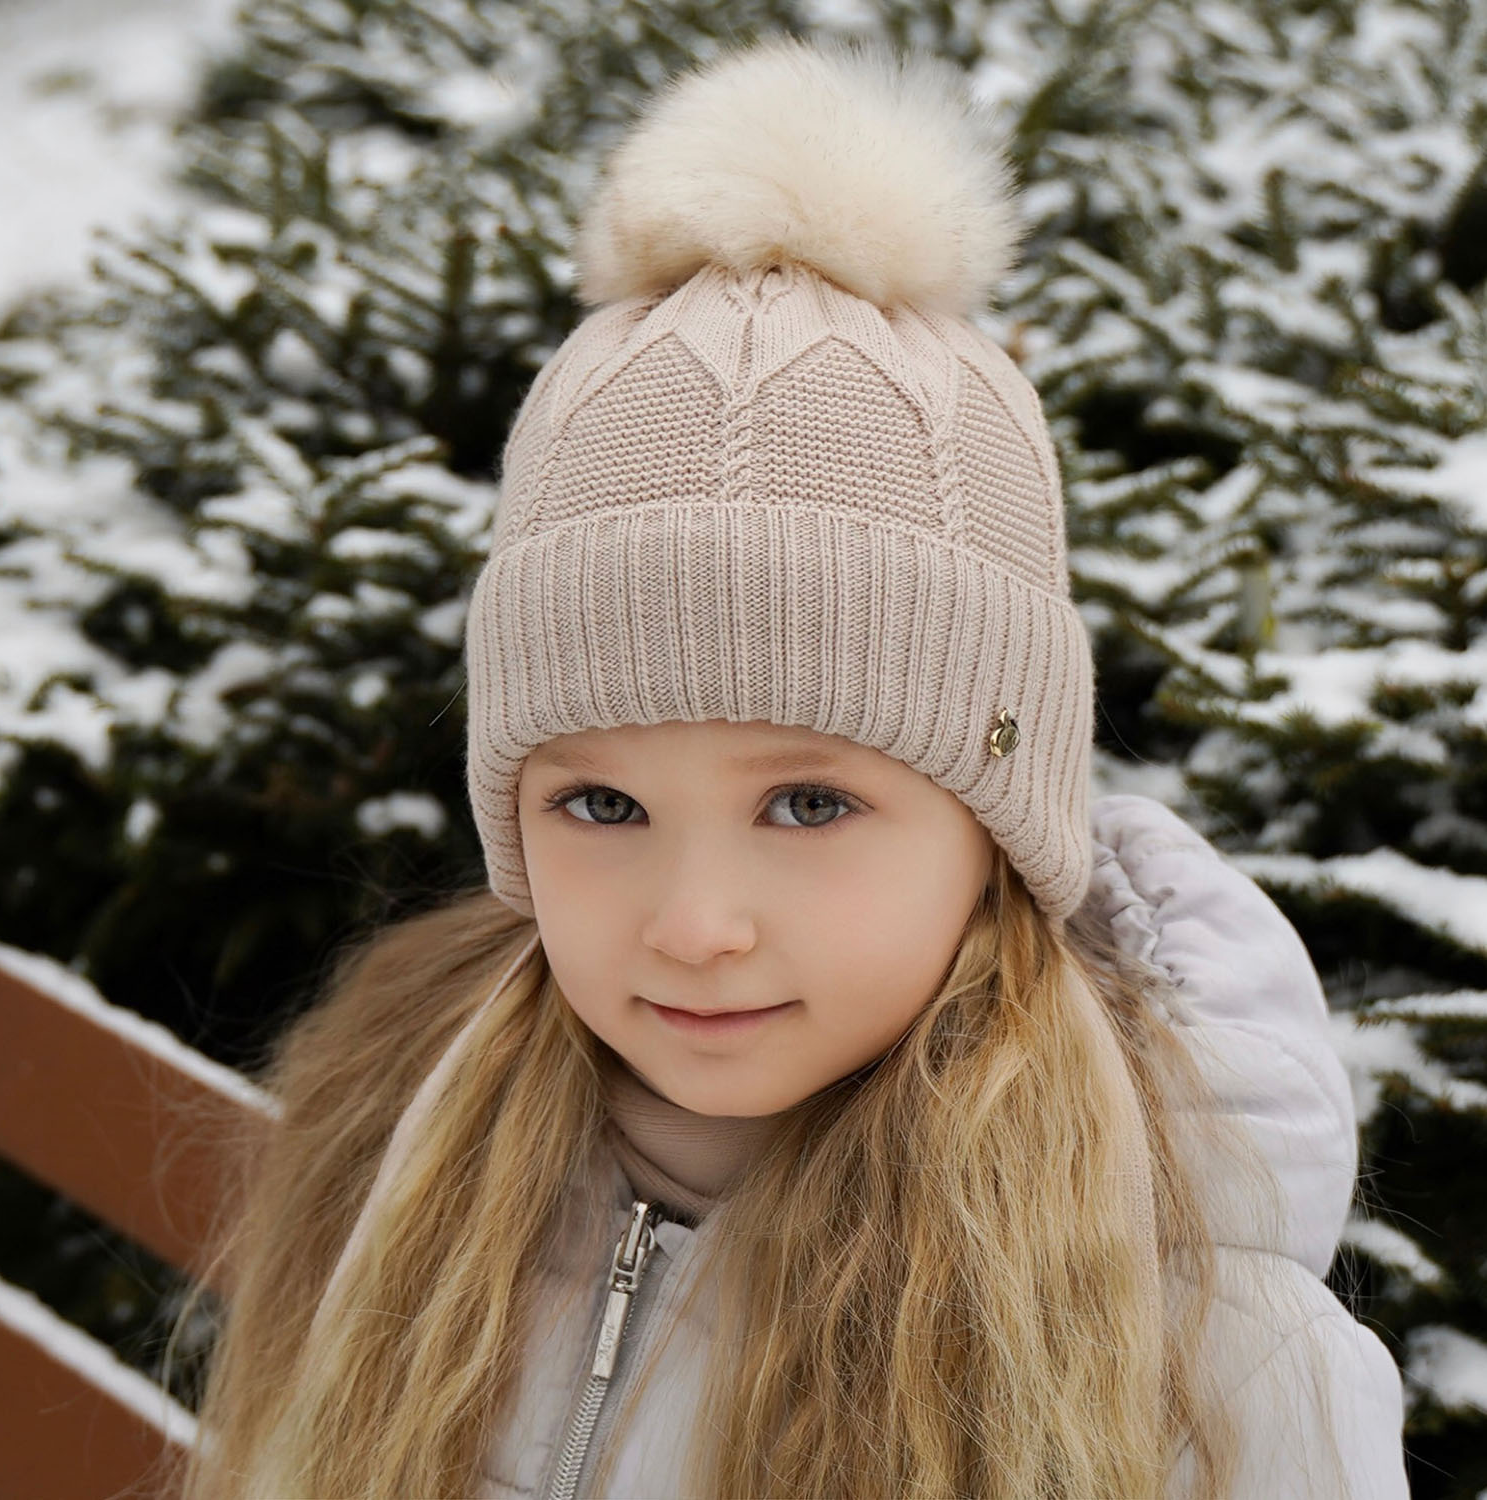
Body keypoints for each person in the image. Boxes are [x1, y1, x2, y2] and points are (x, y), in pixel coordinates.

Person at [175, 33, 1411, 1500]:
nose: (697, 924)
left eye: (811, 802)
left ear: (996, 824)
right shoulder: (421, 1156)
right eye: (601, 803)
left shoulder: (1200, 1349)